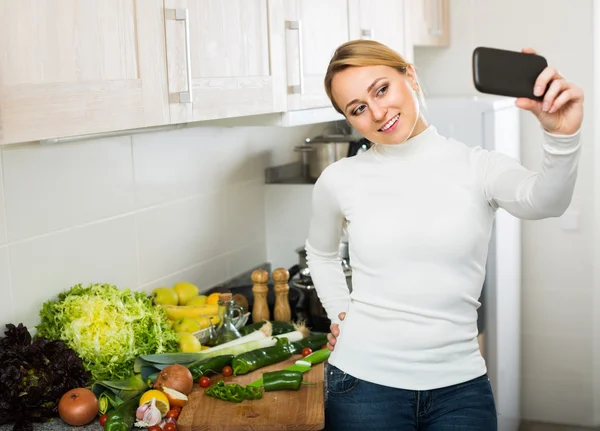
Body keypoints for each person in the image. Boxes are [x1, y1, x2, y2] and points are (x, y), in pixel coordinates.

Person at [305, 40, 583, 431]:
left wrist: (562, 137)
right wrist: (341, 315)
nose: (378, 112)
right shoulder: (339, 179)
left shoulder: (477, 167)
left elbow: (544, 201)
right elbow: (320, 253)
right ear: (351, 121)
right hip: (362, 387)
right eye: (358, 109)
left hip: (460, 390)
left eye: (381, 89)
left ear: (410, 75)